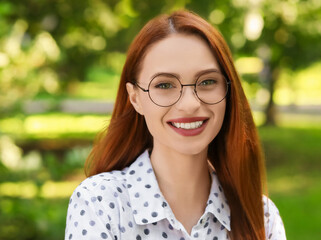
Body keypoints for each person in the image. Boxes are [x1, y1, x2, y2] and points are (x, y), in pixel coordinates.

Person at [65, 10, 286, 240]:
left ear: (228, 91)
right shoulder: (101, 204)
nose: (190, 104)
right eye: (164, 85)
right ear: (135, 98)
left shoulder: (261, 217)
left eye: (207, 81)